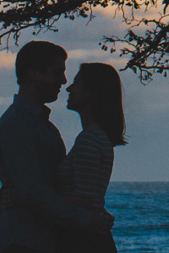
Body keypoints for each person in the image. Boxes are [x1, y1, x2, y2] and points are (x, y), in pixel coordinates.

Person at [0, 41, 113, 253]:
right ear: (34, 74)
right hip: (22, 241)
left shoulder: (43, 126)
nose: (63, 81)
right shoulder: (18, 124)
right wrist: (86, 218)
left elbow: (46, 189)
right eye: (57, 73)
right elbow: (33, 191)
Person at [56, 63, 126, 253]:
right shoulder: (97, 137)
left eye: (76, 84)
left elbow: (85, 199)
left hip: (84, 239)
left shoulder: (89, 139)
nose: (69, 88)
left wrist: (32, 198)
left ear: (91, 92)